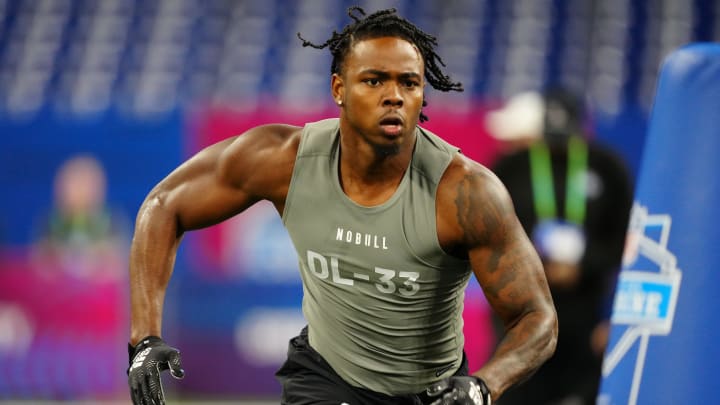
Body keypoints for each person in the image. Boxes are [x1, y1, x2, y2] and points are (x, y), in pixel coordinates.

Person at [127, 7, 557, 405]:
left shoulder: (465, 192)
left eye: (408, 82)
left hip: (434, 393)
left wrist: (485, 385)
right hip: (325, 378)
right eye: (374, 80)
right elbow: (164, 205)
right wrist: (144, 338)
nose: (394, 96)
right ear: (339, 88)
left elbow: (536, 317)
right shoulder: (282, 161)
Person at [488, 88, 633, 405]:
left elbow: (627, 239)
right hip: (518, 313)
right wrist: (535, 264)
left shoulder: (608, 169)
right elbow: (488, 233)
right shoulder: (510, 168)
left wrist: (584, 266)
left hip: (583, 319)